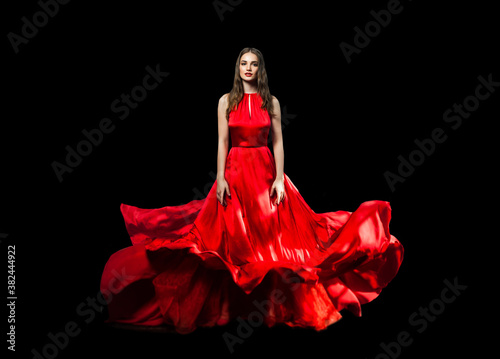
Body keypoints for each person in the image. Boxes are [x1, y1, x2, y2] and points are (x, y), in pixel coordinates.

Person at [100, 47, 404, 334]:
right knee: (228, 242)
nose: (248, 68)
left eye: (253, 64)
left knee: (272, 242)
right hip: (235, 171)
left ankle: (272, 306)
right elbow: (221, 142)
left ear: (260, 69)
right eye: (244, 63)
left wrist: (279, 178)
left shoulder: (269, 102)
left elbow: (278, 142)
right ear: (238, 68)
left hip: (264, 171)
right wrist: (220, 177)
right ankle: (232, 306)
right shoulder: (225, 101)